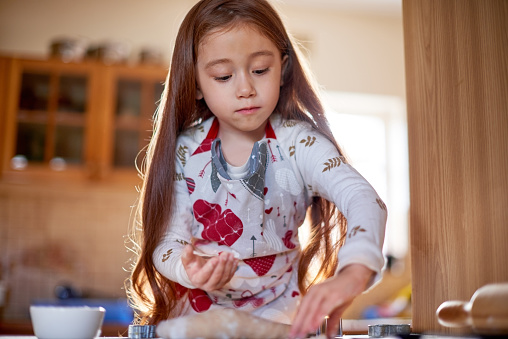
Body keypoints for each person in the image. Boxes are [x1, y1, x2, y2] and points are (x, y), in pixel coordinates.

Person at [127, 0, 387, 338]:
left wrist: (354, 273)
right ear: (195, 83)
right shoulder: (185, 152)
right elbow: (166, 243)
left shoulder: (298, 145)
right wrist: (189, 270)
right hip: (195, 321)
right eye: (223, 75)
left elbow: (363, 199)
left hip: (278, 320)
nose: (245, 88)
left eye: (260, 70)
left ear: (283, 68)